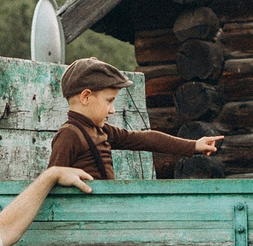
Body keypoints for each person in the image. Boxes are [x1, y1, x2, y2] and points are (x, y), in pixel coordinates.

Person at [47, 58, 222, 179]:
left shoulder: (101, 130)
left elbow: (144, 139)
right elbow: (51, 180)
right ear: (86, 97)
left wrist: (193, 145)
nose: (112, 110)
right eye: (109, 101)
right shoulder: (70, 135)